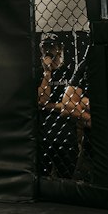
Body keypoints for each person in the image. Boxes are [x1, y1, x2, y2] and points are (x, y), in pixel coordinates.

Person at [37, 34, 77, 178]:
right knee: (43, 173)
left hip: (65, 127)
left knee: (66, 172)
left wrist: (51, 106)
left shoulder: (69, 72)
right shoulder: (38, 73)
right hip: (43, 128)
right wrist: (47, 73)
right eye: (45, 47)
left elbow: (71, 106)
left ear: (60, 50)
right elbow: (42, 101)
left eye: (52, 47)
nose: (49, 51)